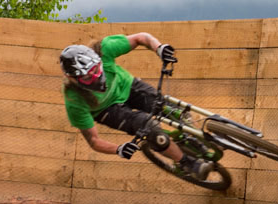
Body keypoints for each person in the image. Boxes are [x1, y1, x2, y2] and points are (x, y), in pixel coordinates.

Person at [60, 33, 211, 178]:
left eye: (97, 69)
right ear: (71, 78)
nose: (97, 78)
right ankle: (186, 164)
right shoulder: (74, 101)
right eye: (87, 77)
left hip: (127, 86)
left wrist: (160, 48)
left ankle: (197, 138)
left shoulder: (103, 49)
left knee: (173, 110)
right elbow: (93, 141)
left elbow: (141, 38)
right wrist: (118, 149)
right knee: (151, 130)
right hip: (106, 110)